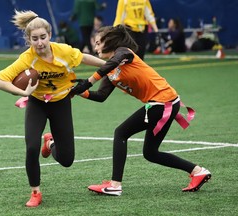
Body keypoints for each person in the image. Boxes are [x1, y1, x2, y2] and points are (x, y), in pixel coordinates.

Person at [71, 25, 211, 196]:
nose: (96, 47)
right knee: (151, 153)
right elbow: (101, 95)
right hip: (165, 103)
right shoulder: (110, 70)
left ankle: (115, 185)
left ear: (110, 42)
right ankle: (198, 171)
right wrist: (79, 91)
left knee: (120, 133)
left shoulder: (124, 52)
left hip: (162, 102)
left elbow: (114, 62)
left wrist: (88, 81)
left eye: (99, 42)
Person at [0, 10, 105, 207]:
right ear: (28, 40)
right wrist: (22, 93)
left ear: (50, 36)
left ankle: (50, 143)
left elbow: (85, 58)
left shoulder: (63, 52)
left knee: (67, 159)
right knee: (31, 148)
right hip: (37, 103)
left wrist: (109, 65)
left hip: (61, 103)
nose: (40, 43)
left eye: (43, 37)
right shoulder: (27, 58)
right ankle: (35, 191)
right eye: (34, 39)